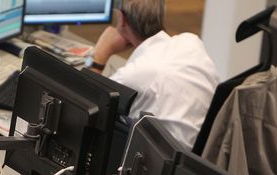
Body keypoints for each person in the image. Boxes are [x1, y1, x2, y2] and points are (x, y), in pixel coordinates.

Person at [88, 0, 219, 150]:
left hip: (159, 166)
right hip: (199, 159)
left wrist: (100, 54)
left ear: (121, 18)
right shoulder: (192, 42)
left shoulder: (132, 74)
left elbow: (87, 105)